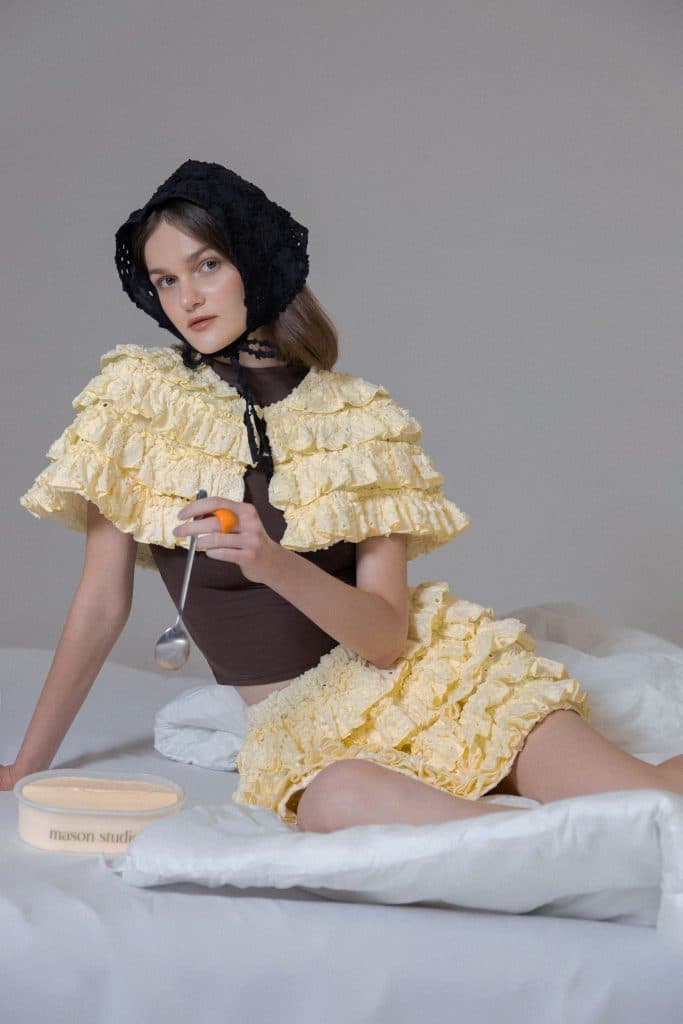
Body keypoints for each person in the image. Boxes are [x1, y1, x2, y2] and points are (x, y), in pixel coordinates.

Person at [4, 159, 683, 830]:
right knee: (337, 802)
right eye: (166, 280)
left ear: (254, 261)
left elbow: (385, 640)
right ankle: (528, 834)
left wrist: (271, 562)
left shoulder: (360, 419)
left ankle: (552, 823)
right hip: (310, 726)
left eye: (207, 265)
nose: (187, 298)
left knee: (649, 801)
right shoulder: (138, 402)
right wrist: (27, 765)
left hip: (434, 676)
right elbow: (101, 605)